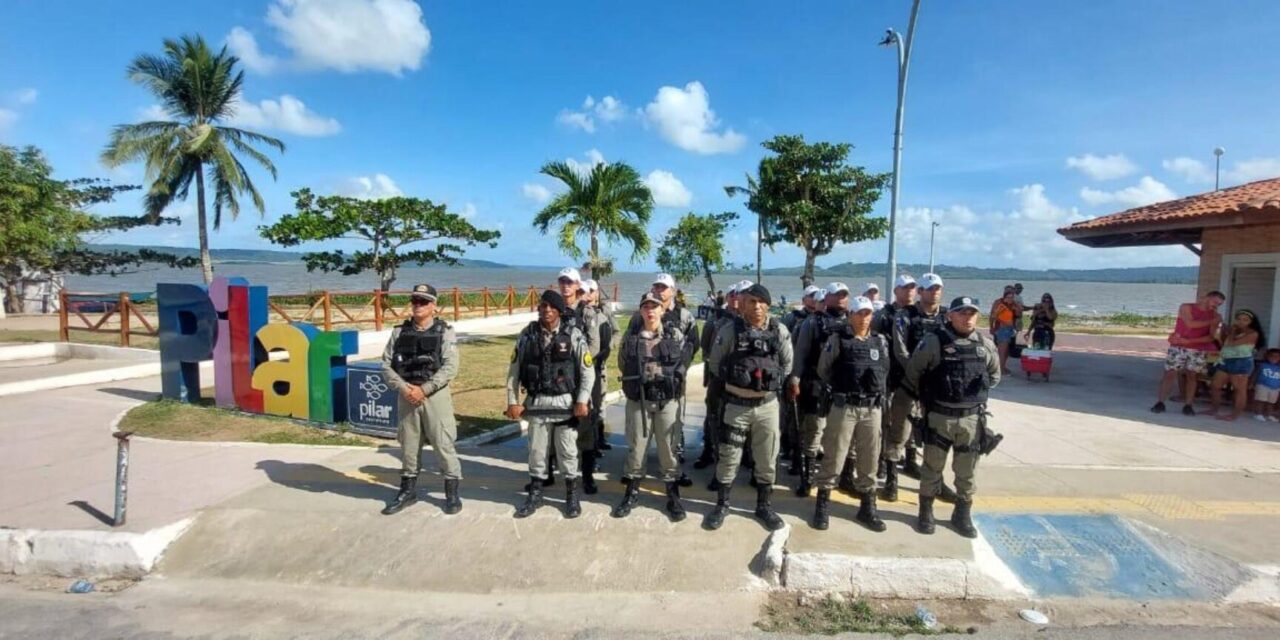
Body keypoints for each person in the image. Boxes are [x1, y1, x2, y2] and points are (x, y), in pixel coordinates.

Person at [903, 296, 1002, 538]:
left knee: (966, 471)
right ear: (950, 315)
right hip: (939, 416)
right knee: (931, 467)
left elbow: (994, 377)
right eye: (961, 312)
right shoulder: (934, 342)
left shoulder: (985, 345)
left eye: (972, 313)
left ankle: (962, 512)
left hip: (971, 418)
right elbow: (915, 372)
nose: (967, 317)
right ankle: (926, 511)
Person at [704, 283, 793, 531]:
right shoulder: (730, 330)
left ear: (768, 305)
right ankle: (722, 505)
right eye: (751, 301)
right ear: (742, 304)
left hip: (767, 405)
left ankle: (764, 506)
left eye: (761, 302)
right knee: (729, 457)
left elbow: (787, 364)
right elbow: (715, 363)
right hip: (736, 405)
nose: (756, 307)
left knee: (767, 458)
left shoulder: (779, 330)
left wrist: (766, 382)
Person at [506, 290, 595, 519]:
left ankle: (571, 495)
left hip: (565, 402)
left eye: (551, 307)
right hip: (536, 402)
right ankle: (535, 494)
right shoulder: (527, 335)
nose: (546, 310)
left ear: (559, 311)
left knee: (567, 451)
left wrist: (582, 400)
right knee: (536, 452)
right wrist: (513, 401)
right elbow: (514, 372)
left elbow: (587, 372)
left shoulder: (573, 335)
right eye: (543, 306)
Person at [379, 284, 463, 516]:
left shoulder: (445, 331)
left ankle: (452, 492)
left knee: (443, 443)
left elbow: (450, 367)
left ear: (433, 306)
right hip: (407, 396)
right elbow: (386, 364)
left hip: (434, 396)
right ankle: (407, 491)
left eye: (423, 301)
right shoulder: (398, 332)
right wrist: (404, 388)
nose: (417, 305)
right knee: (408, 445)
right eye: (415, 300)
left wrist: (424, 389)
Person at [812, 296, 889, 532]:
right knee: (834, 455)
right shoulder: (838, 340)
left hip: (872, 408)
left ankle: (868, 507)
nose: (864, 318)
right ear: (851, 315)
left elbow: (885, 370)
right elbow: (823, 369)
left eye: (868, 313)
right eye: (859, 313)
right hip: (844, 407)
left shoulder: (880, 341)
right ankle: (822, 504)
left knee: (870, 457)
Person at [613, 292, 689, 521]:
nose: (650, 311)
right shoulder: (631, 337)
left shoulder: (674, 334)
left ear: (662, 310)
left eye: (654, 306)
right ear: (641, 311)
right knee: (637, 446)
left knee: (668, 448)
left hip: (667, 399)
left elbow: (683, 362)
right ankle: (632, 491)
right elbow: (622, 363)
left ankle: (673, 494)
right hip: (640, 400)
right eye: (645, 306)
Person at [883, 273, 948, 502]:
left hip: (936, 389)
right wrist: (917, 375)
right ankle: (891, 479)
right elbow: (901, 351)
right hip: (907, 384)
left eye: (938, 288)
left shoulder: (947, 317)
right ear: (921, 292)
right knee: (898, 432)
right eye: (930, 289)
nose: (934, 292)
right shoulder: (904, 316)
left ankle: (934, 479)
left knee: (934, 436)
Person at [789, 283, 851, 498]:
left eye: (845, 295)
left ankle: (844, 476)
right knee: (814, 431)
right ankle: (807, 477)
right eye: (837, 295)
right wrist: (795, 379)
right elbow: (800, 354)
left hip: (844, 387)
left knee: (842, 434)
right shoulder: (812, 323)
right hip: (815, 384)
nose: (841, 299)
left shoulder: (852, 320)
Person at [556, 267, 605, 494]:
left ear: (577, 286)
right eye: (562, 281)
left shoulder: (586, 312)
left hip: (582, 376)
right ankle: (548, 473)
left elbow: (594, 345)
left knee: (585, 424)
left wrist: (578, 365)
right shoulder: (553, 309)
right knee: (555, 422)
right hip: (558, 378)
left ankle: (587, 476)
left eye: (570, 282)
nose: (566, 286)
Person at [694, 281, 744, 471]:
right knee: (714, 416)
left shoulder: (751, 321)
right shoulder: (715, 320)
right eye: (732, 293)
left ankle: (742, 456)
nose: (735, 297)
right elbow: (706, 347)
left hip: (743, 379)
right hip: (719, 378)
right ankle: (709, 451)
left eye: (739, 294)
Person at [1152, 291, 1225, 416]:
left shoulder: (1215, 315)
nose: (1216, 306)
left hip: (1197, 348)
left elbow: (1211, 337)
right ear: (1207, 297)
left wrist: (1190, 340)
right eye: (1215, 302)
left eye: (1219, 304)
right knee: (1170, 373)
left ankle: (1188, 404)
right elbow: (1190, 323)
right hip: (1178, 346)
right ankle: (1160, 402)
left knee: (1192, 376)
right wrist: (1213, 321)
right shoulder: (1186, 307)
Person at [779, 285, 823, 476]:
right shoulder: (794, 318)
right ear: (804, 299)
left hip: (819, 380)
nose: (814, 301)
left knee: (815, 422)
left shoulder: (828, 323)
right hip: (799, 375)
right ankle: (794, 454)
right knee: (795, 419)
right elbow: (788, 347)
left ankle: (808, 455)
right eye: (811, 297)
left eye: (818, 298)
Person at [1204, 309, 1264, 421]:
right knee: (1215, 385)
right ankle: (1214, 409)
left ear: (1251, 321)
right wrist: (1223, 332)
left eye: (1245, 320)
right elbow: (1224, 343)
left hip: (1241, 362)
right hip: (1226, 360)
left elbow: (1233, 343)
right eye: (1239, 319)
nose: (1241, 322)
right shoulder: (1234, 330)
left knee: (1239, 389)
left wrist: (1231, 332)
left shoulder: (1253, 333)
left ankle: (1234, 415)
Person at [582, 279, 617, 452]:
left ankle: (599, 438)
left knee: (599, 403)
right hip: (585, 366)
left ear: (596, 293)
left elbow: (616, 331)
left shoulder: (604, 312)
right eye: (584, 290)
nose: (587, 294)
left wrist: (610, 347)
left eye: (591, 290)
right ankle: (590, 444)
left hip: (599, 365)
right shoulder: (580, 312)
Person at [989, 287, 1020, 375]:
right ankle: (1000, 370)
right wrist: (992, 327)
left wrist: (1016, 305)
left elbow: (1019, 312)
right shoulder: (1000, 304)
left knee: (1006, 351)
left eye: (1012, 296)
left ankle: (1002, 367)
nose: (1010, 298)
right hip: (1002, 329)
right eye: (1008, 296)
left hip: (1009, 329)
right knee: (1002, 351)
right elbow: (993, 316)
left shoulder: (1012, 305)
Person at [1253, 348, 1280, 422]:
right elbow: (1256, 374)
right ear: (1267, 356)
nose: (1274, 358)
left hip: (1275, 387)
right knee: (1260, 400)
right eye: (1272, 356)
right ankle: (1258, 414)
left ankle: (1269, 415)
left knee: (1271, 402)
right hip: (1262, 385)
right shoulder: (1262, 365)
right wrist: (1252, 383)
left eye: (1277, 356)